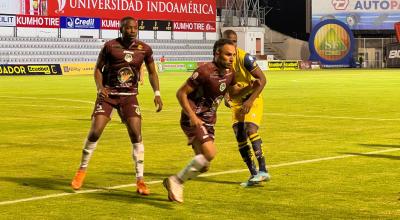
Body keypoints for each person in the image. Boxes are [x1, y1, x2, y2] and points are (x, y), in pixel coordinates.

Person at [71, 16, 163, 195]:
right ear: (121, 29)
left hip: (129, 97)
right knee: (95, 131)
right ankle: (81, 170)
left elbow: (152, 72)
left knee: (136, 134)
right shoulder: (110, 46)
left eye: (135, 28)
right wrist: (100, 88)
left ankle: (140, 180)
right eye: (128, 28)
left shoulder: (145, 49)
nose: (132, 30)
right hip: (108, 95)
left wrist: (157, 93)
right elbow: (97, 69)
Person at [163, 39, 259, 203]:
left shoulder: (230, 73)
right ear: (217, 54)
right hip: (194, 118)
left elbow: (232, 93)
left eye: (233, 55)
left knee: (205, 165)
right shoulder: (204, 71)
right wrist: (193, 117)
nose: (231, 58)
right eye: (228, 54)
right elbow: (181, 94)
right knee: (210, 153)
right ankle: (176, 181)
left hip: (209, 120)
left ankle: (173, 182)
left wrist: (250, 87)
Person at [222, 29, 270, 187]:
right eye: (229, 42)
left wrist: (249, 100)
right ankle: (253, 175)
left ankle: (263, 171)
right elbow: (224, 82)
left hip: (253, 97)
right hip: (237, 100)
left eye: (235, 41)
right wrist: (226, 96)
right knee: (239, 135)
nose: (233, 45)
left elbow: (262, 80)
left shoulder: (245, 58)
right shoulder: (221, 60)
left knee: (250, 129)